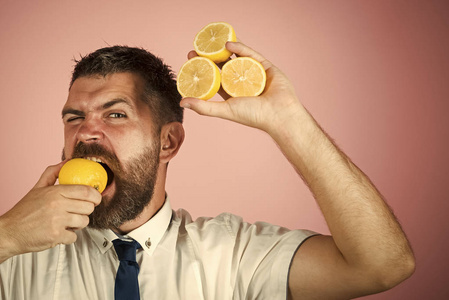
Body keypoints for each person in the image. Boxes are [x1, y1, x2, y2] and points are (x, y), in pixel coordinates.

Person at [0, 41, 415, 299]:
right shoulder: (15, 254)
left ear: (168, 142)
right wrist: (8, 235)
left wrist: (289, 121)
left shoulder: (233, 255)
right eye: (74, 117)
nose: (87, 132)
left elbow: (381, 266)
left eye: (115, 115)